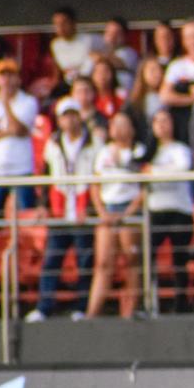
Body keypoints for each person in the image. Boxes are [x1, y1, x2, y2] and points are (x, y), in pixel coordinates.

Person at [25, 98, 99, 323]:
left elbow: (98, 178)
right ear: (59, 120)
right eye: (65, 115)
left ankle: (81, 307)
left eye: (73, 114)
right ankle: (44, 306)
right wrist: (43, 205)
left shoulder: (93, 143)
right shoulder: (53, 144)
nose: (70, 119)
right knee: (51, 260)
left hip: (81, 209)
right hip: (59, 210)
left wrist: (91, 208)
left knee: (84, 261)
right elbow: (47, 176)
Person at [86, 112, 144, 319]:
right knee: (103, 263)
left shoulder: (139, 151)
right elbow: (95, 184)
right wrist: (102, 211)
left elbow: (145, 184)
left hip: (129, 207)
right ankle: (92, 313)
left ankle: (130, 311)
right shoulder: (103, 153)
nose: (118, 129)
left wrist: (130, 211)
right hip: (109, 208)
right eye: (115, 124)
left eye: (123, 124)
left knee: (132, 260)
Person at [145, 108, 194, 314]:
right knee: (148, 256)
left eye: (166, 120)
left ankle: (181, 300)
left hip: (179, 208)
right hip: (156, 208)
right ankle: (151, 299)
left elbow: (181, 169)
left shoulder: (181, 149)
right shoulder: (147, 151)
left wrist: (154, 172)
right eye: (158, 121)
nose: (162, 125)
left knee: (179, 258)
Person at [0, 58, 39, 216]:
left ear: (18, 78)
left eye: (10, 75)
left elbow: (19, 129)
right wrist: (6, 132)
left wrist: (5, 104)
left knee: (26, 216)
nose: (6, 80)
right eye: (2, 75)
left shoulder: (28, 102)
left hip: (21, 170)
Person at [50, 6, 96, 88]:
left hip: (89, 82)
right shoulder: (55, 45)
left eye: (64, 23)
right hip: (68, 83)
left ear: (73, 23)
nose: (61, 28)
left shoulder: (88, 40)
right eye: (57, 24)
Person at [125, 56, 165, 141]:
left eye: (159, 70)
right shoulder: (135, 101)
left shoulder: (168, 97)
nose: (157, 74)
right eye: (152, 70)